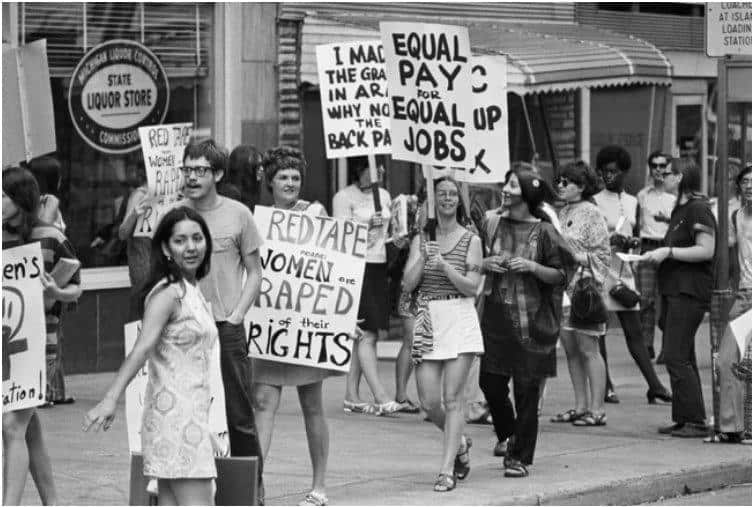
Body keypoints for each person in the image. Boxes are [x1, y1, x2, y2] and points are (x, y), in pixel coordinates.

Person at [85, 206, 218, 505]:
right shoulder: (168, 293)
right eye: (180, 240)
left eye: (197, 238)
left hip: (188, 418)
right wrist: (110, 398)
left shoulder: (191, 289)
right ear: (165, 248)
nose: (191, 247)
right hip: (176, 422)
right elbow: (142, 348)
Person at [180, 139, 265, 496]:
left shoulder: (238, 214)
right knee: (188, 414)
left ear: (217, 174)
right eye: (187, 169)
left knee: (238, 414)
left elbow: (255, 272)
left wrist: (237, 313)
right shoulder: (176, 215)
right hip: (183, 329)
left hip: (225, 328)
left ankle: (251, 493)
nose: (193, 177)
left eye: (201, 170)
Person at [251, 147, 332, 506]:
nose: (290, 183)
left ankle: (319, 486)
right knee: (264, 401)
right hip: (271, 324)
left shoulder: (314, 212)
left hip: (306, 325)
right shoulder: (258, 220)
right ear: (270, 182)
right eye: (283, 177)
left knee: (312, 404)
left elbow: (333, 268)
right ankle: (255, 484)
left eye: (295, 177)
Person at [478, 167, 571, 478]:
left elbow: (560, 276)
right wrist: (485, 263)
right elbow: (475, 258)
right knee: (489, 383)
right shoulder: (491, 222)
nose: (505, 189)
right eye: (506, 183)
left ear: (527, 194)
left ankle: (519, 457)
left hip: (533, 324)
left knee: (527, 391)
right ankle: (509, 433)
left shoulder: (544, 231)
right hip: (495, 319)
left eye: (512, 185)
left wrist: (531, 266)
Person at [3, 166, 82, 505]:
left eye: (4, 195)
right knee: (27, 426)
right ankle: (52, 502)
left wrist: (57, 291)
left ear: (21, 199)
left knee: (11, 426)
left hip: (40, 345)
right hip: (6, 347)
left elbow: (76, 287)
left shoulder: (51, 236)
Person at [402, 176, 483, 492]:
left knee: (453, 399)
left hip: (459, 317)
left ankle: (446, 470)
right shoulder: (421, 239)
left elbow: (472, 287)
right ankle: (460, 443)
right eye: (442, 194)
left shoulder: (471, 240)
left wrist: (446, 266)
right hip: (428, 320)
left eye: (453, 194)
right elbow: (408, 284)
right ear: (433, 200)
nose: (448, 198)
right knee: (429, 401)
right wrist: (424, 257)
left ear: (459, 201)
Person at [641, 158, 715, 438]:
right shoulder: (680, 208)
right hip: (673, 289)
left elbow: (705, 250)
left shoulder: (698, 208)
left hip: (689, 291)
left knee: (674, 354)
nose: (662, 175)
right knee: (683, 354)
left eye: (668, 172)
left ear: (681, 177)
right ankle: (685, 417)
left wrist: (668, 253)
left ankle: (695, 420)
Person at [593, 146, 672, 405]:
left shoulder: (632, 202)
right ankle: (605, 386)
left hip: (624, 273)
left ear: (625, 172)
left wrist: (632, 242)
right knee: (600, 332)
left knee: (634, 331)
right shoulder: (593, 201)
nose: (609, 176)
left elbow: (635, 233)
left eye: (614, 171)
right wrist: (609, 239)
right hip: (598, 272)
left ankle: (655, 386)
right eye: (605, 171)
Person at [333, 156, 399, 415]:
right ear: (361, 169)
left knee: (364, 333)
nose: (380, 171)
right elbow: (340, 234)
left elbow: (388, 232)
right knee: (367, 333)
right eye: (375, 167)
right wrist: (364, 225)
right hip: (356, 265)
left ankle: (352, 394)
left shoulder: (382, 194)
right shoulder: (343, 197)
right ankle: (381, 396)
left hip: (378, 263)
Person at [550, 161, 610, 427]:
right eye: (559, 181)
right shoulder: (560, 212)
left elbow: (603, 254)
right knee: (571, 350)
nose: (560, 186)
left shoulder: (592, 213)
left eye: (567, 182)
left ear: (582, 186)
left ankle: (597, 409)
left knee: (589, 349)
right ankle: (580, 405)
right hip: (562, 288)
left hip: (583, 288)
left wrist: (576, 256)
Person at [27, 156, 76, 405]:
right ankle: (45, 390)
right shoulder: (50, 201)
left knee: (54, 334)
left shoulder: (33, 204)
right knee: (49, 335)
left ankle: (57, 389)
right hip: (49, 273)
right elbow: (44, 230)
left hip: (46, 271)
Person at [716, 163, 752, 442]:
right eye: (745, 181)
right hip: (743, 296)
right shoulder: (736, 215)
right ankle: (731, 428)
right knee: (728, 359)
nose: (750, 185)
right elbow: (724, 251)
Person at [636, 151, 676, 362]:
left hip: (669, 249)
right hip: (647, 248)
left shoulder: (676, 196)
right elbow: (637, 226)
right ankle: (646, 345)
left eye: (663, 166)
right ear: (650, 168)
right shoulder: (642, 196)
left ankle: (667, 348)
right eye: (655, 165)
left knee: (669, 300)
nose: (659, 170)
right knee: (645, 299)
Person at [117, 164, 152, 321]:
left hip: (164, 270)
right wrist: (134, 214)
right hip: (144, 272)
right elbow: (122, 233)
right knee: (141, 320)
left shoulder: (171, 195)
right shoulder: (139, 195)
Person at [226, 145, 264, 212]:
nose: (262, 169)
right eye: (256, 165)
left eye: (262, 165)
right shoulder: (230, 193)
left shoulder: (259, 189)